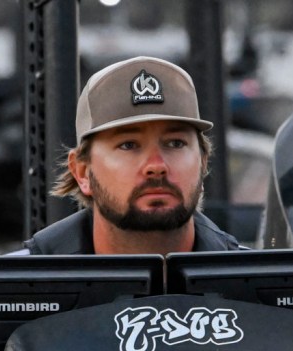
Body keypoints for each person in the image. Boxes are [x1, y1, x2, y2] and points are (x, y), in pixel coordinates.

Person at [18, 55, 243, 255]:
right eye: (128, 145)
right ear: (83, 172)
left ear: (203, 163)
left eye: (175, 143)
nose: (156, 166)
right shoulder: (21, 282)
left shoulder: (248, 279)